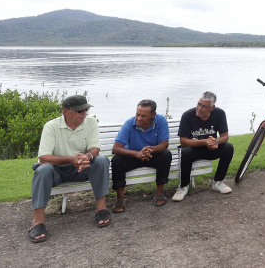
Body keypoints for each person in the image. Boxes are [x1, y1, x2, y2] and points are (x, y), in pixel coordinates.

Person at [28, 95, 110, 243]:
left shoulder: (91, 122)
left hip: (81, 167)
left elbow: (95, 149)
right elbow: (44, 158)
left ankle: (101, 209)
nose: (84, 113)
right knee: (43, 170)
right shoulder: (51, 126)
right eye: (80, 111)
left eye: (86, 109)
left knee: (101, 161)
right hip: (57, 170)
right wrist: (70, 160)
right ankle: (37, 222)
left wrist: (86, 157)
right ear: (65, 111)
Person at [111, 99, 171, 212]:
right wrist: (137, 153)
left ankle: (159, 193)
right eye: (137, 114)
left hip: (151, 155)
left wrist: (150, 149)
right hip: (133, 156)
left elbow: (164, 144)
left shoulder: (161, 121)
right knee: (117, 160)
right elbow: (116, 149)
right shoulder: (129, 123)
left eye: (143, 116)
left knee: (166, 155)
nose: (138, 118)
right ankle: (120, 198)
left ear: (153, 115)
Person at [173, 91, 234, 201]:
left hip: (210, 148)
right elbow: (183, 141)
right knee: (185, 152)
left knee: (228, 148)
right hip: (193, 149)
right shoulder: (187, 115)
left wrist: (216, 142)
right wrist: (205, 142)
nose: (199, 108)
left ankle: (217, 182)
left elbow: (225, 136)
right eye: (199, 104)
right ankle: (183, 186)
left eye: (204, 106)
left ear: (212, 108)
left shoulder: (219, 114)